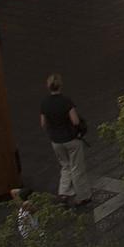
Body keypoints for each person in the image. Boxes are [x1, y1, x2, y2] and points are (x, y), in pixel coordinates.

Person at [39, 75, 92, 206]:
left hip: (56, 141)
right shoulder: (66, 101)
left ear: (48, 86)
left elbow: (43, 124)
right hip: (71, 139)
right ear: (60, 85)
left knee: (65, 166)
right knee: (76, 167)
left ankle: (63, 192)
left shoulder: (45, 103)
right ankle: (82, 196)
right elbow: (75, 121)